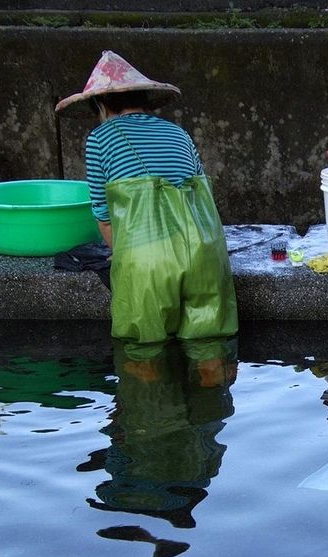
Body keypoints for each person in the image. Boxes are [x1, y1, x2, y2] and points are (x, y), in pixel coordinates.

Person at [55, 51, 238, 354]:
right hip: (206, 255)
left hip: (148, 261)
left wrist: (121, 253)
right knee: (210, 349)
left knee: (144, 355)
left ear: (99, 103)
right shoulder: (178, 133)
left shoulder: (100, 138)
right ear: (145, 98)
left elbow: (102, 214)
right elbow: (201, 194)